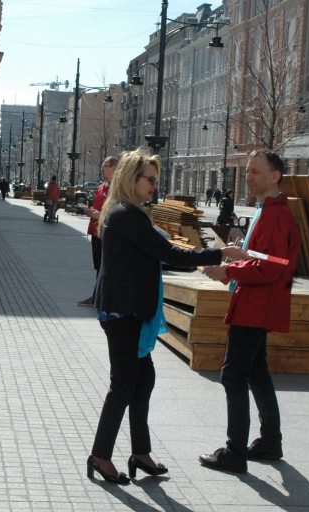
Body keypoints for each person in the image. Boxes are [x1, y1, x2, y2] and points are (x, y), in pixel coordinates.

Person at [88, 149, 249, 484]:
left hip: (128, 309)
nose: (154, 185)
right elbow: (169, 253)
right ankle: (100, 456)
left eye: (156, 180)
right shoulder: (126, 214)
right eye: (150, 179)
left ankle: (140, 453)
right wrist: (220, 252)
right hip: (123, 311)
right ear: (131, 178)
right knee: (123, 385)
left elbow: (161, 253)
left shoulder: (126, 212)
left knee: (142, 380)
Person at [199, 150, 301, 473]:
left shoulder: (275, 214)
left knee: (233, 375)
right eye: (247, 171)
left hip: (256, 305)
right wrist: (236, 259)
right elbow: (261, 258)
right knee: (256, 370)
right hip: (257, 303)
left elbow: (270, 268)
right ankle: (270, 440)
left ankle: (235, 452)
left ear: (275, 176)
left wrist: (228, 271)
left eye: (256, 171)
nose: (249, 177)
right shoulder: (268, 209)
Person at [78, 156, 118, 306]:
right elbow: (99, 206)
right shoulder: (102, 186)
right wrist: (90, 211)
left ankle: (102, 298)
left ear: (114, 168)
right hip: (96, 231)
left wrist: (100, 215)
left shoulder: (118, 188)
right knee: (98, 265)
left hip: (107, 232)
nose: (102, 169)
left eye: (104, 166)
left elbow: (117, 213)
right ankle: (97, 296)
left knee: (105, 267)